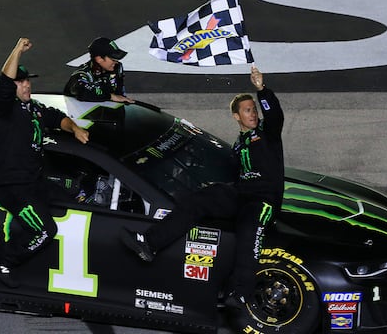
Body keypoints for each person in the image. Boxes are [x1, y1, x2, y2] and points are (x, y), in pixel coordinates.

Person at [121, 66, 284, 308]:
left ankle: (240, 294)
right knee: (203, 197)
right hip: (241, 194)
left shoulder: (268, 133)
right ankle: (150, 244)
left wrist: (262, 90)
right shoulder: (239, 144)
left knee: (249, 234)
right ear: (236, 116)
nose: (253, 114)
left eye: (254, 110)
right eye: (248, 111)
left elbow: (276, 116)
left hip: (263, 201)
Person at [0, 37, 90, 287]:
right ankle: (3, 261)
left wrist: (74, 128)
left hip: (35, 182)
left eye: (27, 80)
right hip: (13, 189)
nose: (27, 85)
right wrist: (17, 51)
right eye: (21, 82)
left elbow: (57, 118)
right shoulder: (2, 110)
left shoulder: (33, 108)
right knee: (45, 230)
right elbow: (3, 82)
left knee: (78, 202)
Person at [63, 36, 134, 103]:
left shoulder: (117, 67)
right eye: (113, 59)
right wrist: (111, 96)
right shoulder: (83, 73)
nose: (116, 62)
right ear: (99, 59)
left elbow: (120, 96)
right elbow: (83, 92)